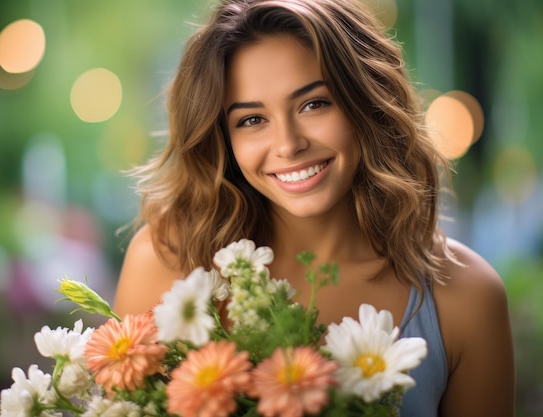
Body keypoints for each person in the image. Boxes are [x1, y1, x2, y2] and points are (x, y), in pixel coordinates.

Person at [113, 0, 515, 415]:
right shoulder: (164, 262)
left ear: (368, 103)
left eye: (313, 104)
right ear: (224, 140)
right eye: (252, 120)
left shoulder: (468, 299)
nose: (288, 145)